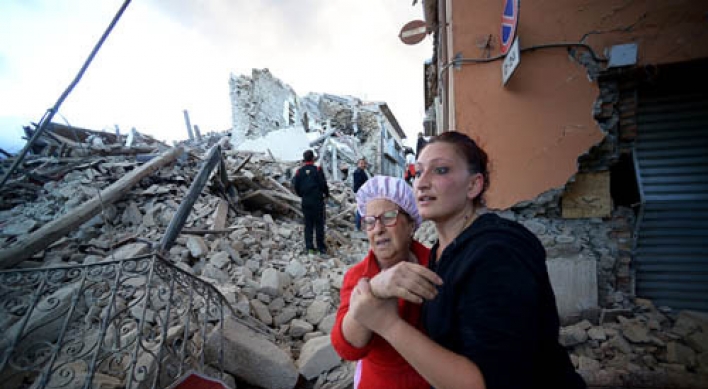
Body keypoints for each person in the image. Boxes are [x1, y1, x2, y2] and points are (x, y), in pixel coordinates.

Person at [348, 132, 586, 389]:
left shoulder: (498, 252)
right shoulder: (442, 252)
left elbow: (489, 381)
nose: (422, 183)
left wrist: (387, 324)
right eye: (418, 173)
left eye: (440, 170)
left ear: (474, 185)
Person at [331, 175, 442, 389]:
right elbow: (347, 348)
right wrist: (374, 290)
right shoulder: (358, 276)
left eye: (388, 216)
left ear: (411, 224)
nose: (378, 229)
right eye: (369, 221)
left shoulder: (437, 266)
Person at [293, 149, 330, 255]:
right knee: (319, 224)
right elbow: (323, 184)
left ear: (304, 159)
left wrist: (302, 195)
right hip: (317, 200)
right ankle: (320, 248)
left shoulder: (299, 171)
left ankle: (309, 248)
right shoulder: (317, 169)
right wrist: (326, 194)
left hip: (306, 201)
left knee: (308, 224)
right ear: (313, 158)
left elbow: (296, 186)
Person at [352, 158, 369, 230]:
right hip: (361, 193)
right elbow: (358, 184)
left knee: (362, 209)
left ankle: (360, 226)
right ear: (358, 164)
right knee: (360, 209)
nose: (363, 165)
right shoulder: (358, 172)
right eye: (361, 163)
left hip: (362, 193)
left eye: (364, 163)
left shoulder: (361, 171)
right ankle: (357, 226)